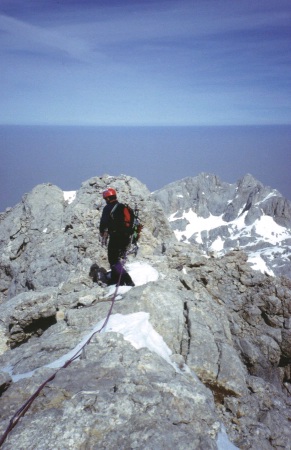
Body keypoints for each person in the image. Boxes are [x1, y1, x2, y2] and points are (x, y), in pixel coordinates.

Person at [99, 187, 135, 286]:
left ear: (107, 198)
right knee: (117, 258)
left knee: (113, 260)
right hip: (126, 237)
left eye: (105, 199)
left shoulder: (108, 208)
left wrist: (102, 232)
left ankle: (127, 280)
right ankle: (116, 279)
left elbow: (103, 223)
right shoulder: (122, 206)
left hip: (115, 237)